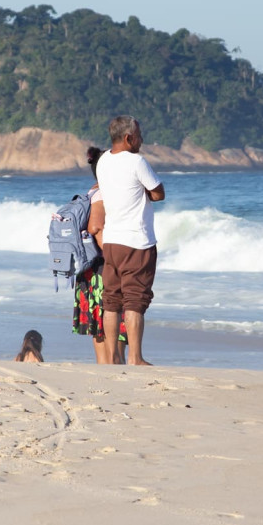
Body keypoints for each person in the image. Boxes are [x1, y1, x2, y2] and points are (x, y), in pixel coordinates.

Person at [93, 115, 164, 366]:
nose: (142, 140)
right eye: (140, 135)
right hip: (137, 241)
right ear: (128, 138)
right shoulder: (136, 161)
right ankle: (135, 357)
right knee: (135, 299)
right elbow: (158, 193)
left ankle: (112, 357)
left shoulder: (102, 162)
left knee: (111, 300)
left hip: (111, 242)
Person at [72, 145, 127, 365]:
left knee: (99, 322)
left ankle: (106, 367)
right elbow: (97, 228)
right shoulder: (104, 193)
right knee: (115, 316)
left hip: (90, 268)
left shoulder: (92, 190)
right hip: (103, 266)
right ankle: (115, 365)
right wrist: (114, 258)